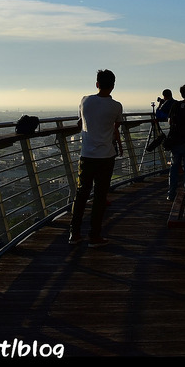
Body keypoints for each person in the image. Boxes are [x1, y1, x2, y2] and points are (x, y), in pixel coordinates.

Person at [69, 69, 124, 248]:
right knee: (100, 197)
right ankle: (94, 236)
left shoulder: (85, 101)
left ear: (97, 84)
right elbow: (116, 127)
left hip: (86, 156)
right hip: (106, 156)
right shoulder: (116, 106)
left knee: (81, 194)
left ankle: (74, 234)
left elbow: (80, 122)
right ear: (113, 86)